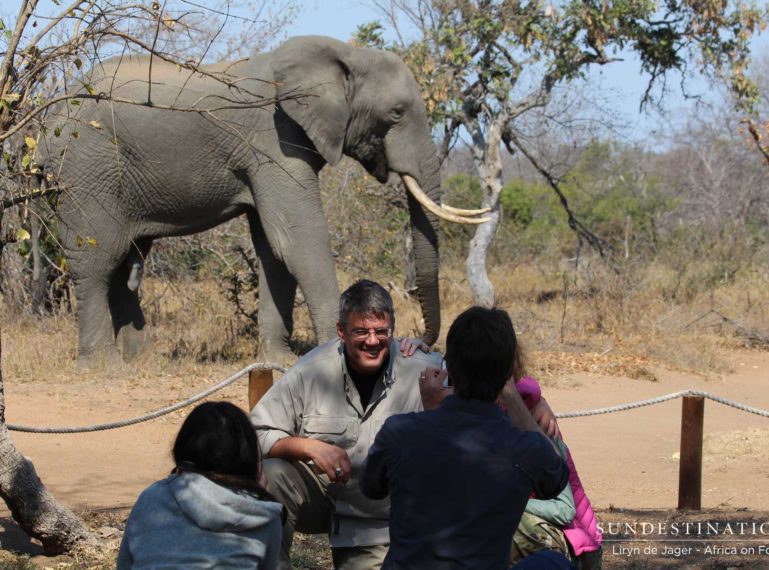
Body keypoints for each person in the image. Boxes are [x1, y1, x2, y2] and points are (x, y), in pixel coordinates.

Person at [359, 305, 569, 569]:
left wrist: (430, 412)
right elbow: (557, 479)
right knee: (553, 563)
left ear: (450, 367)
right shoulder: (526, 449)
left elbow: (371, 487)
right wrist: (513, 396)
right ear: (507, 375)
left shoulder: (399, 432)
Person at [117, 401, 284, 569]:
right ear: (247, 454)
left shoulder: (153, 496)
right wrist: (255, 499)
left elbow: (125, 565)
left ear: (183, 446)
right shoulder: (266, 515)